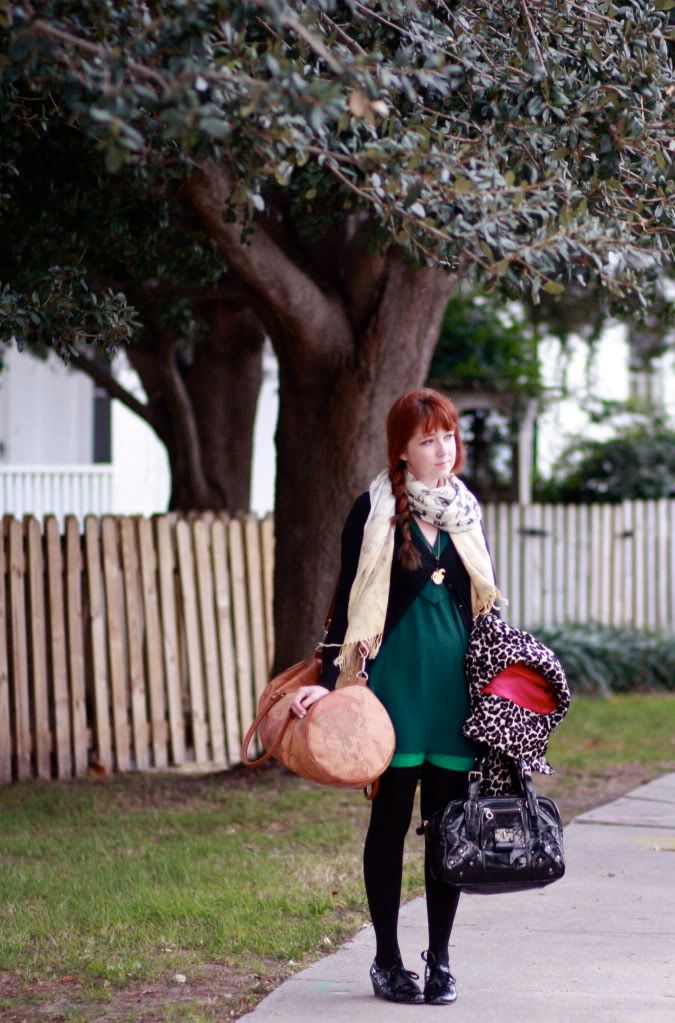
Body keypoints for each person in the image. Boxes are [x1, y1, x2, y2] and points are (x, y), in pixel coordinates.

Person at [289, 387, 504, 1006]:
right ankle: (387, 959)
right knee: (388, 824)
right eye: (427, 440)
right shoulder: (374, 509)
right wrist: (323, 685)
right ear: (402, 451)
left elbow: (484, 606)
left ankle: (439, 960)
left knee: (447, 830)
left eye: (448, 437)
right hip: (392, 697)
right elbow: (344, 606)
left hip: (455, 698)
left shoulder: (467, 509)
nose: (443, 450)